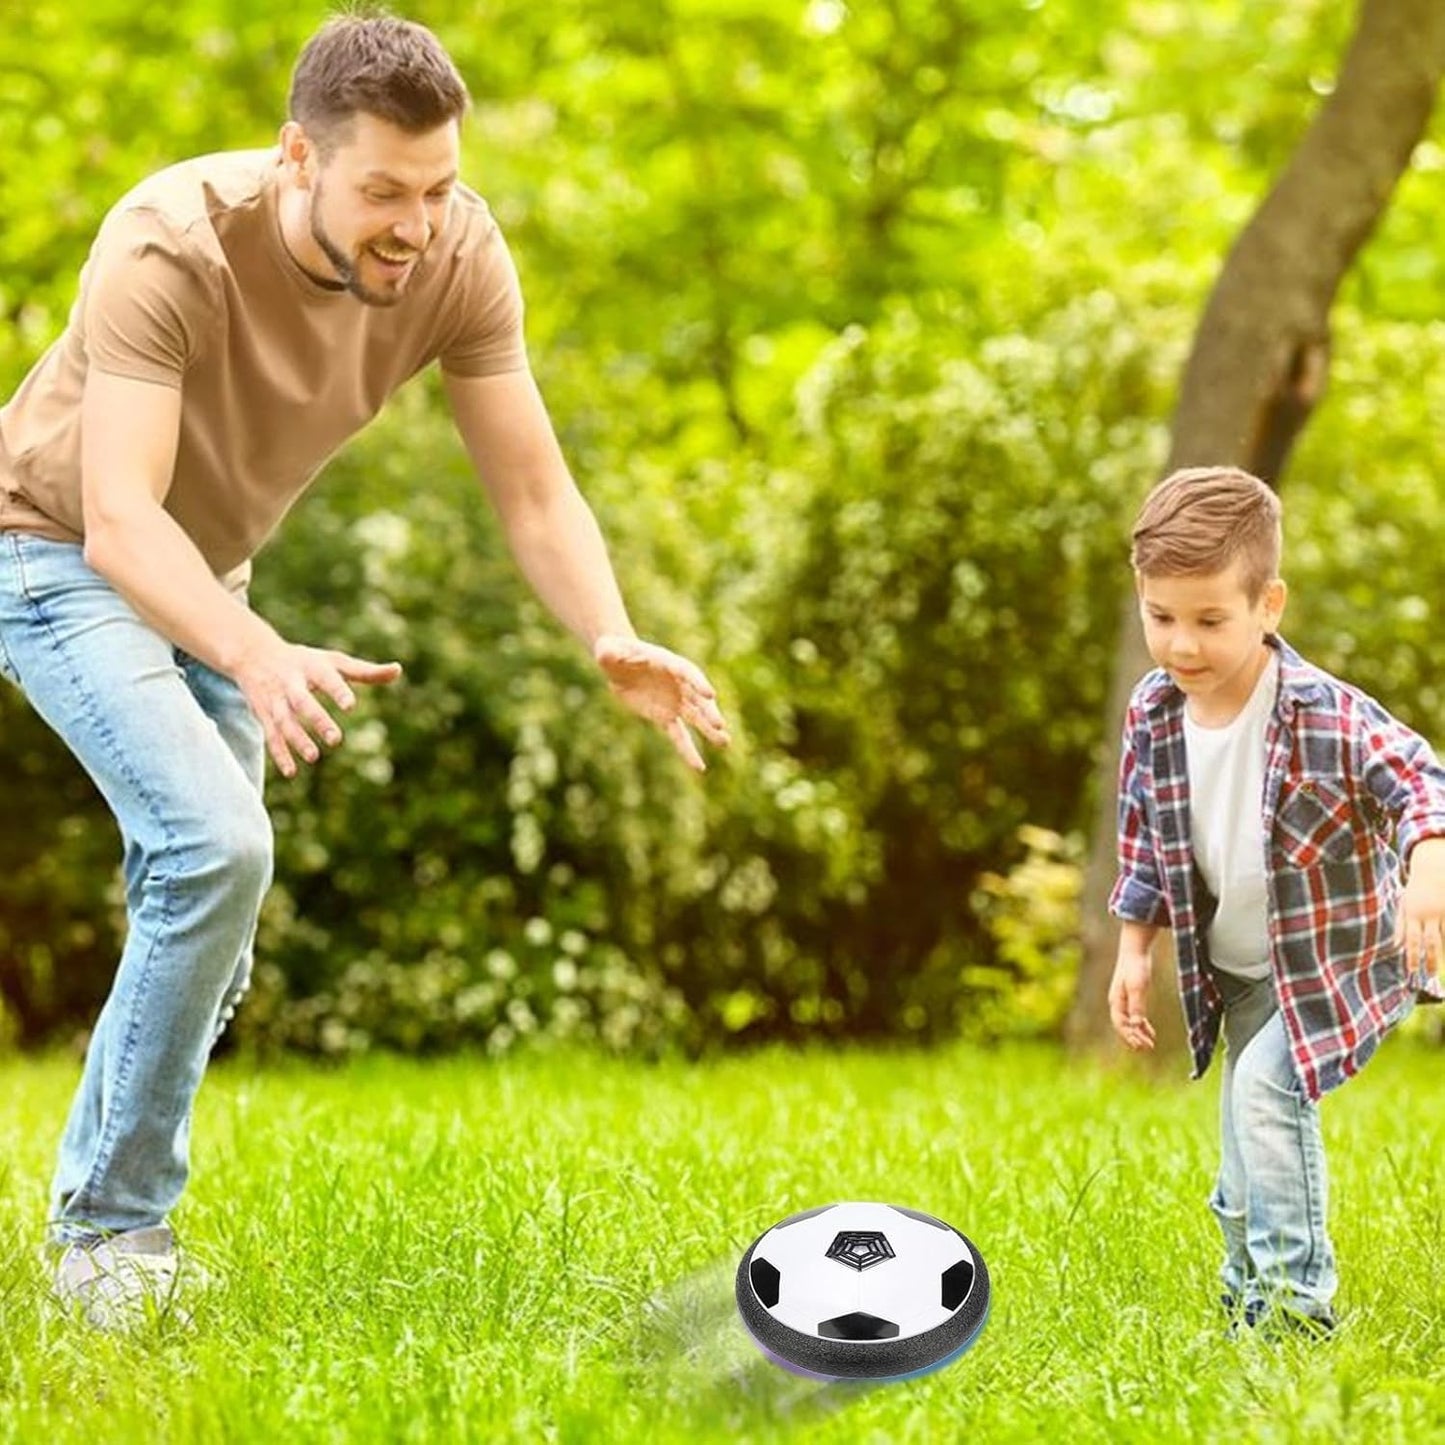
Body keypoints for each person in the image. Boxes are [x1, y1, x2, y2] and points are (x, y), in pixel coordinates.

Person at [0, 14, 729, 1328]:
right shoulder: (169, 239)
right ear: (299, 158)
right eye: (382, 190)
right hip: (55, 556)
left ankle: (102, 1206)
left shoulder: (459, 252)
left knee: (211, 922)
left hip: (208, 579)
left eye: (437, 188)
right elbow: (116, 516)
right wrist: (256, 654)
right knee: (216, 852)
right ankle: (109, 1241)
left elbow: (530, 483)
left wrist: (605, 632)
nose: (416, 222)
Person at [1106, 466, 1445, 1336]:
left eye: (1209, 619)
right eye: (1161, 617)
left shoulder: (1321, 713)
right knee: (1240, 1139)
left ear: (1269, 605)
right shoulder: (1151, 715)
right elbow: (1144, 839)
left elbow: (1419, 779)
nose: (1181, 644)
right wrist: (1132, 950)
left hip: (1334, 961)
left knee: (1265, 1098)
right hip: (1239, 971)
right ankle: (1245, 1290)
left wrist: (1428, 868)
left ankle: (1296, 1309)